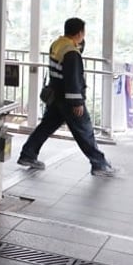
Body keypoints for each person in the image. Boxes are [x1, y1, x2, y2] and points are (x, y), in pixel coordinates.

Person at [18, 18, 116, 177]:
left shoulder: (57, 44)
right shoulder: (71, 52)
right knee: (85, 130)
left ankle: (28, 155)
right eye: (83, 33)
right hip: (68, 100)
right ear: (79, 33)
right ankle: (99, 164)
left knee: (46, 127)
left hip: (55, 96)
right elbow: (73, 79)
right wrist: (77, 102)